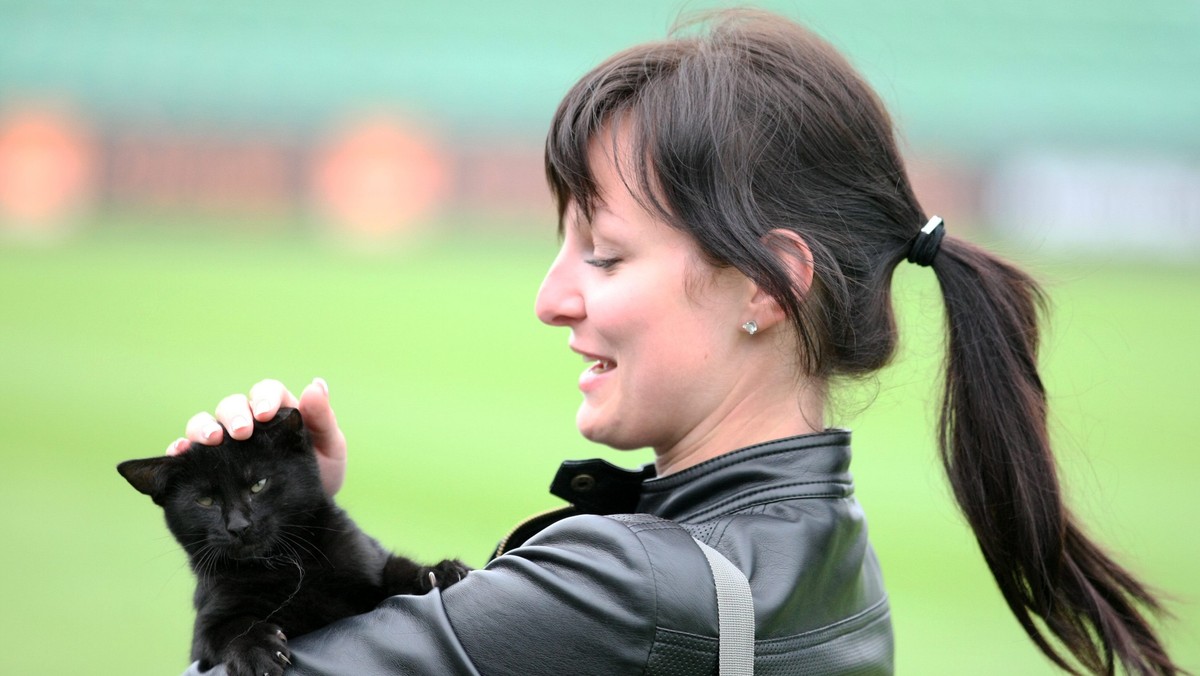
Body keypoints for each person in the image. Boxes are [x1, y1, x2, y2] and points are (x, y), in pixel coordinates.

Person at [174, 8, 1181, 675]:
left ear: (768, 284)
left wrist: (251, 555)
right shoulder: (822, 540)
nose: (550, 299)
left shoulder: (638, 589)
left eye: (604, 258)